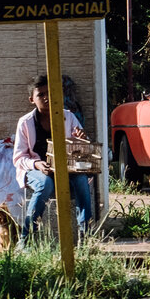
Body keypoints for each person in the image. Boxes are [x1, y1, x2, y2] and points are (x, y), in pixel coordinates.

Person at [13, 74, 93, 247]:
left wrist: (81, 139)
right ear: (31, 99)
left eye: (49, 93)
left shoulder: (68, 117)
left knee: (82, 179)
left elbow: (83, 150)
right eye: (40, 95)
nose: (46, 98)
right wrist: (36, 164)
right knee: (45, 184)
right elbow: (19, 157)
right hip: (36, 170)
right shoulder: (25, 123)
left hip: (66, 168)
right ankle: (25, 240)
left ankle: (85, 238)